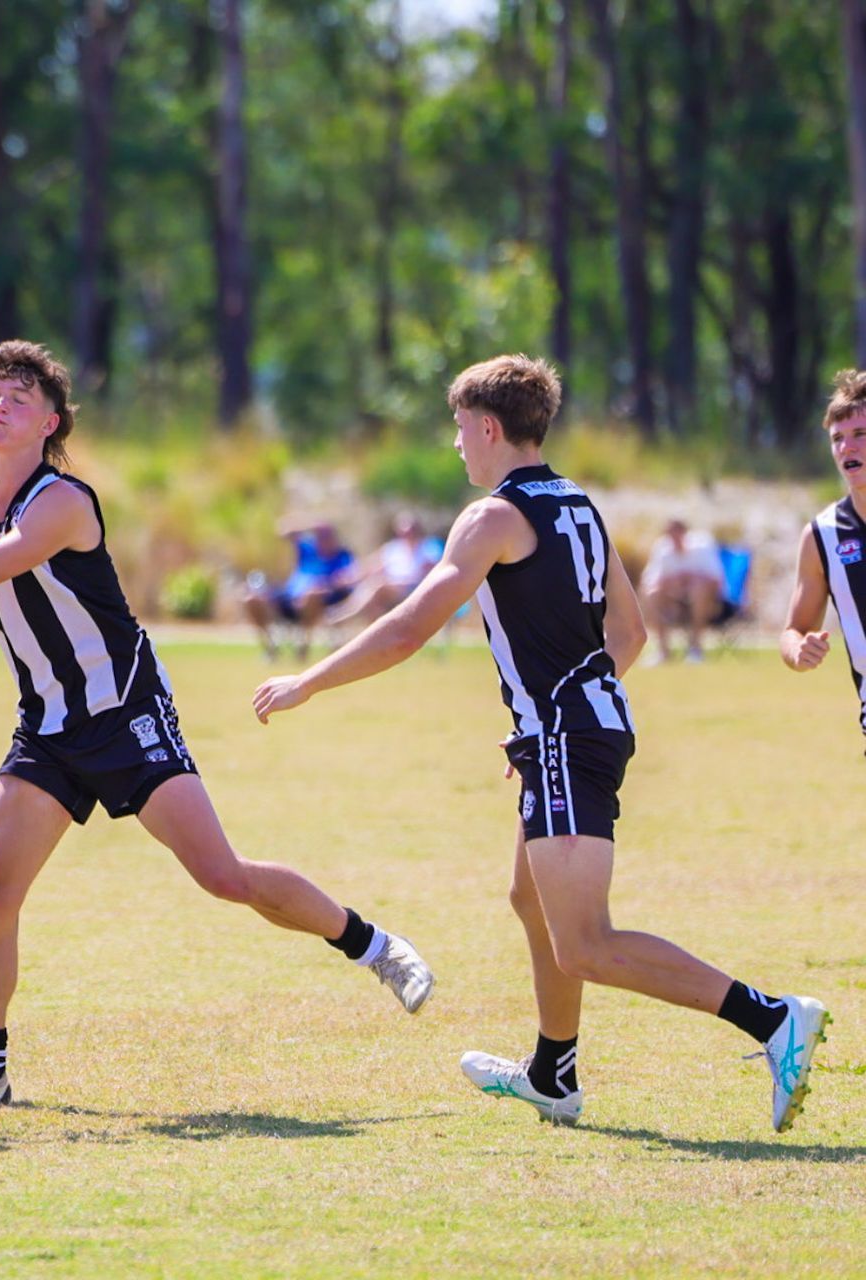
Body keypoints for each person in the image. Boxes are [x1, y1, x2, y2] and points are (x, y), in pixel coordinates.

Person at [0, 340, 433, 1107]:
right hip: (46, 726)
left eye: (18, 396)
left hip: (126, 712)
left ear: (50, 422)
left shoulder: (62, 502)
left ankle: (374, 946)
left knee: (223, 876)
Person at [253, 354, 828, 1133]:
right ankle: (553, 1073)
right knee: (530, 900)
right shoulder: (580, 506)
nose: (458, 446)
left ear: (489, 427)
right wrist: (555, 712)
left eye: (460, 431)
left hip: (565, 737)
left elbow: (410, 626)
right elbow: (630, 633)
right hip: (571, 729)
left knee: (585, 942)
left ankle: (772, 1020)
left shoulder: (491, 517)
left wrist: (309, 681)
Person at [783, 369, 866, 743]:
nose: (847, 448)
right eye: (838, 439)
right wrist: (800, 650)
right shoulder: (823, 535)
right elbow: (793, 631)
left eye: (860, 435)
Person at [241, 521, 360, 658]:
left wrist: (326, 586)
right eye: (319, 535)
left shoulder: (343, 556)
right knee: (251, 598)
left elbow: (348, 580)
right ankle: (269, 647)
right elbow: (283, 531)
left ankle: (303, 645)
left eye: (326, 535)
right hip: (288, 598)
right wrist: (313, 526)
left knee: (313, 594)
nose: (322, 539)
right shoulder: (308, 551)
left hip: (320, 601)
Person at [327, 512, 441, 626]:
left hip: (413, 588)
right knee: (373, 595)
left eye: (410, 531)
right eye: (403, 532)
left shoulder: (428, 548)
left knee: (378, 586)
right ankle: (371, 630)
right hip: (389, 586)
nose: (407, 535)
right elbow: (371, 567)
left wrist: (403, 583)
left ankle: (344, 615)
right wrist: (350, 578)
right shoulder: (393, 549)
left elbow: (430, 574)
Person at [642, 518, 725, 664]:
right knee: (652, 594)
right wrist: (672, 582)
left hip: (708, 603)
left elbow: (717, 580)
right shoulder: (662, 549)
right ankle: (663, 650)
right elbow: (650, 580)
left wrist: (692, 579)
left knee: (698, 592)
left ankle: (695, 649)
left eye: (676, 531)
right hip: (672, 602)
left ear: (684, 531)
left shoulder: (702, 545)